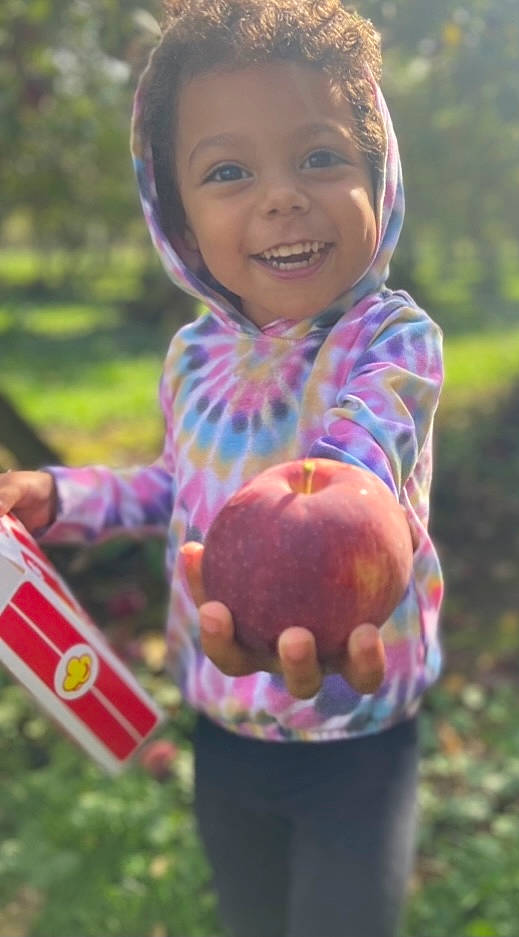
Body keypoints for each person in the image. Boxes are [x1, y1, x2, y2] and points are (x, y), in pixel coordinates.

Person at [0, 1, 444, 935]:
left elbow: (362, 461)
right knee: (249, 915)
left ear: (381, 174)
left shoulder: (392, 340)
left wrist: (312, 569)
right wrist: (60, 496)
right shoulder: (193, 356)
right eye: (229, 171)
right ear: (178, 218)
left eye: (322, 156)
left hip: (356, 734)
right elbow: (173, 486)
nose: (281, 196)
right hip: (224, 720)